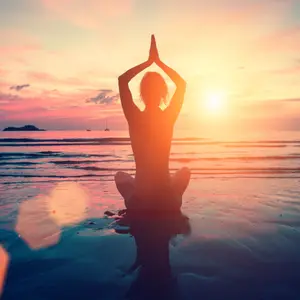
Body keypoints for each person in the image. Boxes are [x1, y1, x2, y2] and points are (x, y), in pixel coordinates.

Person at [115, 34, 190, 211]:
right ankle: (175, 195)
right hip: (168, 201)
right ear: (164, 93)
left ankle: (141, 196)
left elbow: (122, 80)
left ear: (141, 93)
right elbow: (181, 84)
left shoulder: (134, 116)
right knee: (184, 172)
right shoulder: (168, 116)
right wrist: (159, 62)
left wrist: (148, 62)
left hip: (139, 201)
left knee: (120, 176)